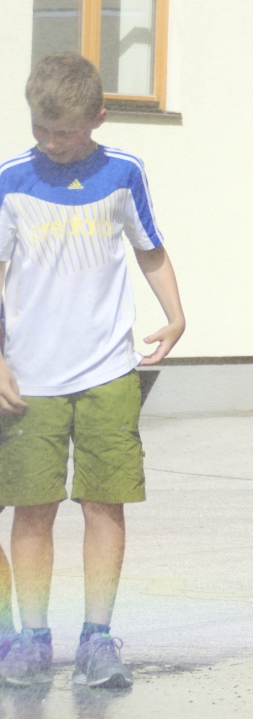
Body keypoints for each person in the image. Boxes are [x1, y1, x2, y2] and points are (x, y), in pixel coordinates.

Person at [0, 53, 187, 688]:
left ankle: (97, 639)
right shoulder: (11, 178)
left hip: (109, 369)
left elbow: (149, 248)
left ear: (98, 118)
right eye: (41, 128)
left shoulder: (124, 171)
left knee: (105, 503)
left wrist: (177, 316)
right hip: (30, 377)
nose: (51, 143)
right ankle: (31, 638)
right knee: (32, 508)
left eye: (65, 132)